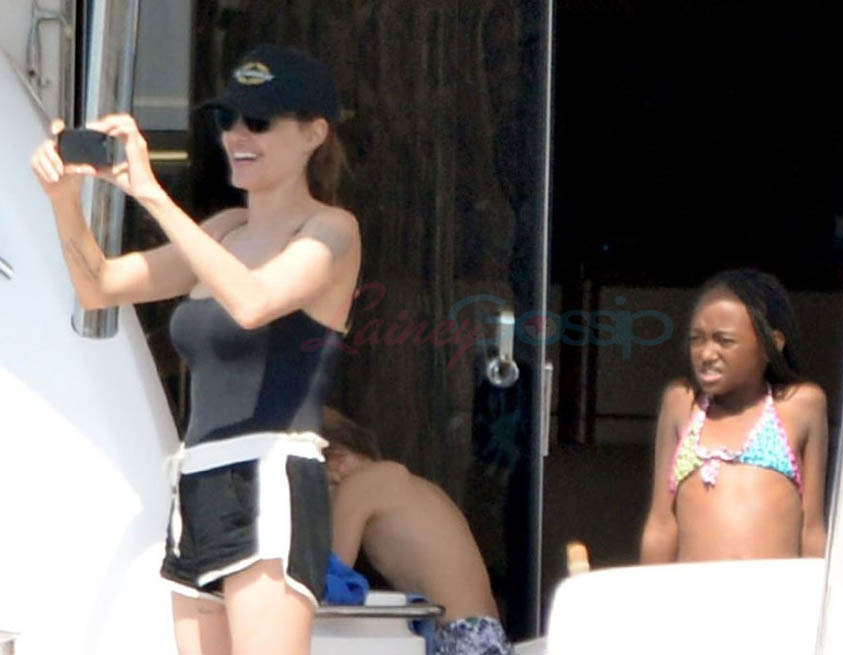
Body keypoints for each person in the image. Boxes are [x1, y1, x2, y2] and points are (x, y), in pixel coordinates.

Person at [31, 44, 360, 655]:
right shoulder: (224, 229)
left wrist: (151, 193)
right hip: (199, 479)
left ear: (314, 134)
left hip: (271, 473)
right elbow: (99, 285)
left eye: (259, 121)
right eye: (228, 119)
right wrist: (63, 201)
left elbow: (254, 302)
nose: (238, 135)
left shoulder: (330, 229)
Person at [639, 269, 828, 563]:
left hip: (774, 591)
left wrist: (823, 589)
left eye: (724, 341)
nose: (706, 354)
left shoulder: (800, 405)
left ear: (772, 345)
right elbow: (661, 524)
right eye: (697, 339)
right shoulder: (682, 404)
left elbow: (812, 529)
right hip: (695, 591)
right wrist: (647, 589)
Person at [321, 407, 513, 655]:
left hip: (456, 635)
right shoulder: (416, 486)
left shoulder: (358, 485)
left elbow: (334, 579)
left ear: (336, 459)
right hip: (485, 633)